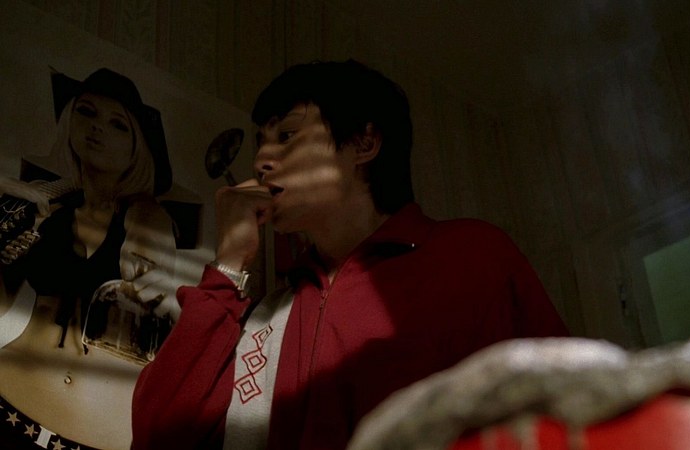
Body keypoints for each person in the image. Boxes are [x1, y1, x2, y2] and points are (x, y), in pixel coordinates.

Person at [131, 59, 569, 450]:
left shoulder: (472, 255)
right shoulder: (271, 315)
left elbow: (565, 411)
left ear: (363, 144)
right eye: (260, 142)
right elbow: (156, 436)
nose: (261, 159)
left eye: (287, 136)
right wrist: (228, 265)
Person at [0, 68, 177, 450]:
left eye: (118, 124)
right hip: (9, 399)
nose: (97, 127)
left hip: (96, 434)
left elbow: (149, 257)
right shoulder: (44, 206)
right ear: (69, 121)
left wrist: (149, 224)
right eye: (86, 112)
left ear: (137, 146)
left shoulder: (146, 216)